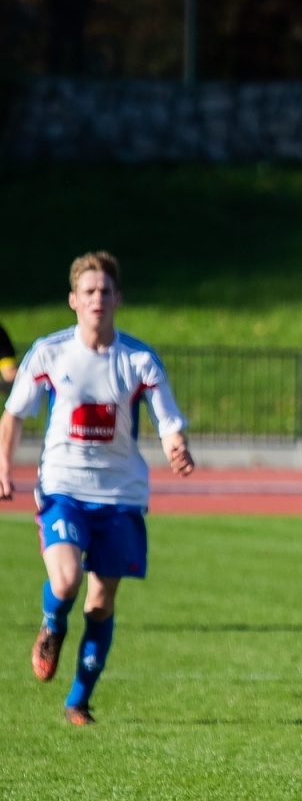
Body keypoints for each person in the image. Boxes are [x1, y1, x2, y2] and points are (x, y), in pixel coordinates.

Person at [0, 252, 194, 725]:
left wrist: (177, 447)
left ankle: (78, 701)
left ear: (118, 299)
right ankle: (51, 625)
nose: (98, 300)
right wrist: (3, 466)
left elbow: (168, 420)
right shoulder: (49, 353)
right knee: (65, 581)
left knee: (101, 601)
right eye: (88, 292)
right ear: (73, 300)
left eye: (105, 291)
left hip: (121, 495)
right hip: (64, 486)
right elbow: (14, 414)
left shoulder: (139, 360)